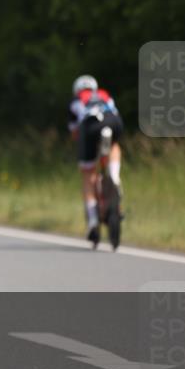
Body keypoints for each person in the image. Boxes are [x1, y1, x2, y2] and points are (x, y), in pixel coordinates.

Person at [67, 75, 123, 245]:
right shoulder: (105, 94)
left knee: (88, 174)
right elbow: (115, 112)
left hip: (89, 125)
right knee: (114, 145)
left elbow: (75, 132)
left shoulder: (76, 100)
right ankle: (114, 176)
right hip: (112, 121)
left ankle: (92, 220)